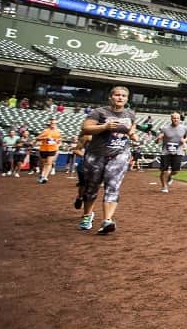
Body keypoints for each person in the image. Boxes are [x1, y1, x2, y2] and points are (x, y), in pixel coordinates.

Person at [77, 86, 138, 234]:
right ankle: (87, 215)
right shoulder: (99, 112)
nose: (120, 98)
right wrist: (105, 126)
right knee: (91, 188)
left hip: (119, 153)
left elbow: (132, 127)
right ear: (110, 97)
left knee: (113, 185)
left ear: (127, 99)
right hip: (96, 154)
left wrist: (132, 134)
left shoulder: (130, 114)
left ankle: (107, 220)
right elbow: (85, 128)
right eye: (117, 95)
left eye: (123, 96)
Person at [155, 112, 187, 193]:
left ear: (180, 119)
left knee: (176, 171)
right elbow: (157, 142)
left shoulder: (184, 128)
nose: (176, 119)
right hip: (166, 152)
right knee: (164, 171)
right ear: (171, 119)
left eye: (177, 118)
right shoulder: (164, 128)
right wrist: (158, 138)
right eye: (174, 118)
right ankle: (164, 187)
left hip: (178, 152)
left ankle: (170, 176)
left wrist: (184, 140)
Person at [34, 118, 63, 184]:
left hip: (52, 149)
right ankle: (42, 175)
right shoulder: (45, 131)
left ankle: (45, 177)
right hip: (44, 149)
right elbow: (37, 138)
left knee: (49, 163)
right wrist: (45, 138)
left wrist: (57, 142)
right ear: (50, 124)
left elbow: (59, 140)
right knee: (44, 163)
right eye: (52, 123)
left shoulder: (58, 131)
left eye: (55, 123)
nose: (53, 124)